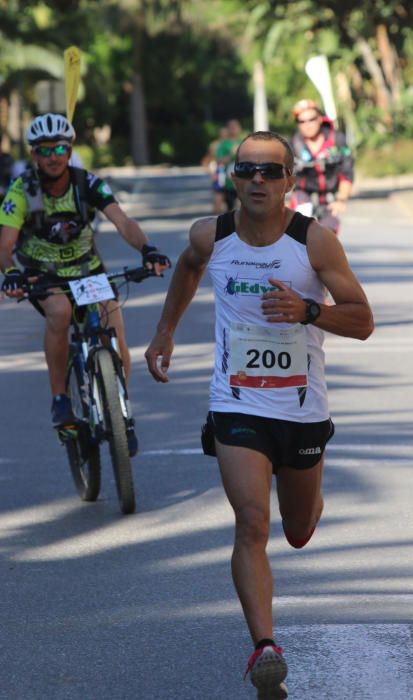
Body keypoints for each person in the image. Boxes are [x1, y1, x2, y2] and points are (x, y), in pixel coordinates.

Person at [145, 130, 373, 698]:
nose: (257, 181)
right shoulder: (211, 234)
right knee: (251, 521)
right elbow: (190, 269)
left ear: (291, 181)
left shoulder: (313, 244)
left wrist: (308, 310)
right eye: (247, 171)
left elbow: (362, 319)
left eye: (270, 172)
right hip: (236, 401)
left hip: (301, 408)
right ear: (233, 178)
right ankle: (265, 648)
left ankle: (308, 500)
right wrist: (165, 333)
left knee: (296, 530)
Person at [0, 112, 170, 454]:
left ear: (70, 150)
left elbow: (122, 221)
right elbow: (4, 247)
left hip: (86, 269)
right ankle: (60, 400)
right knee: (60, 313)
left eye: (59, 149)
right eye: (44, 150)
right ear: (33, 154)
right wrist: (11, 274)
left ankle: (121, 409)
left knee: (112, 320)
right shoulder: (21, 191)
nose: (52, 157)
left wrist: (148, 249)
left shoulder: (86, 183)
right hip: (42, 273)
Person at [289, 98, 354, 234]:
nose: (307, 125)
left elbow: (347, 172)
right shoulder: (293, 144)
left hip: (329, 197)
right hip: (303, 194)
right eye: (302, 121)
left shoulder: (336, 140)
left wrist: (341, 199)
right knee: (300, 228)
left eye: (312, 119)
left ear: (320, 119)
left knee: (328, 234)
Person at [214, 118, 243, 211]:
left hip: (243, 182)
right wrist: (231, 154)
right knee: (229, 210)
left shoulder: (244, 142)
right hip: (228, 183)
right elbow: (219, 161)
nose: (233, 129)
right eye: (231, 127)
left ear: (240, 128)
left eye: (236, 126)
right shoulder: (224, 144)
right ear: (228, 129)